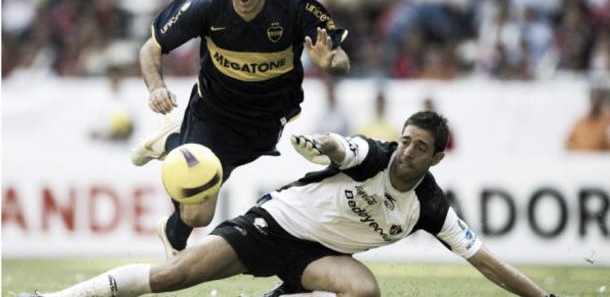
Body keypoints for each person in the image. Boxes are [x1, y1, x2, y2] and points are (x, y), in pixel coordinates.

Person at [20, 111, 557, 297]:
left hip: (315, 257)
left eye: (420, 148)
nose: (406, 152)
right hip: (275, 225)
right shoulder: (375, 155)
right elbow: (342, 146)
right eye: (406, 140)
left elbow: (485, 260)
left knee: (363, 289)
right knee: (174, 278)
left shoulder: (432, 208)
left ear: (437, 158)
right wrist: (320, 143)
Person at [129, 0, 350, 258]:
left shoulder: (296, 5)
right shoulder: (206, 2)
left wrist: (330, 61)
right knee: (200, 214)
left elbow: (342, 60)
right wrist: (157, 87)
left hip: (265, 119)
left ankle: (172, 164)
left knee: (207, 192)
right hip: (213, 111)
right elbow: (151, 49)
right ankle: (175, 145)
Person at [565, 87, 610, 151]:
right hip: (585, 154)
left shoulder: (580, 121)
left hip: (583, 154)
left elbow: (568, 143)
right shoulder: (602, 121)